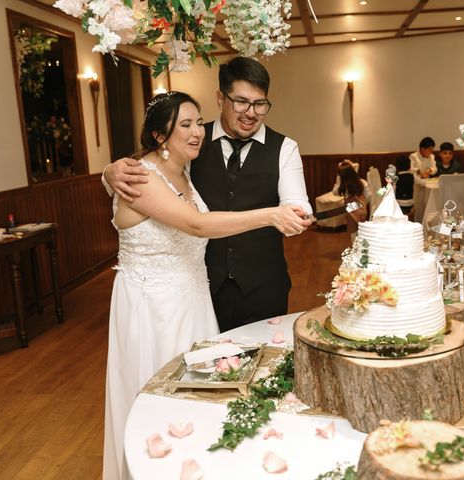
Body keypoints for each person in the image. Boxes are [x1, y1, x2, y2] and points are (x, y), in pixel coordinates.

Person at [103, 91, 310, 480]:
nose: (198, 131)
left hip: (193, 302)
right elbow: (197, 225)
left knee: (201, 401)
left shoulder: (185, 171)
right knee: (160, 405)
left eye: (199, 122)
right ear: (158, 136)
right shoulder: (141, 177)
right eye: (186, 124)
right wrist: (269, 215)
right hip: (153, 307)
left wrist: (105, 171)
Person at [102, 57, 312, 333]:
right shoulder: (192, 143)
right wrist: (109, 172)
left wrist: (294, 218)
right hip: (206, 286)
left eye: (259, 104)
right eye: (240, 101)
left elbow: (296, 207)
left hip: (262, 285)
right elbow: (153, 171)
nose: (250, 112)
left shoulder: (284, 148)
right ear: (220, 98)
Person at [333, 159, 371, 238]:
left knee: (354, 234)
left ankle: (356, 249)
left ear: (341, 176)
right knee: (363, 233)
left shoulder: (343, 186)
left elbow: (334, 192)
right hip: (362, 210)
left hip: (351, 212)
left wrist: (338, 179)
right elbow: (369, 196)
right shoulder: (362, 182)